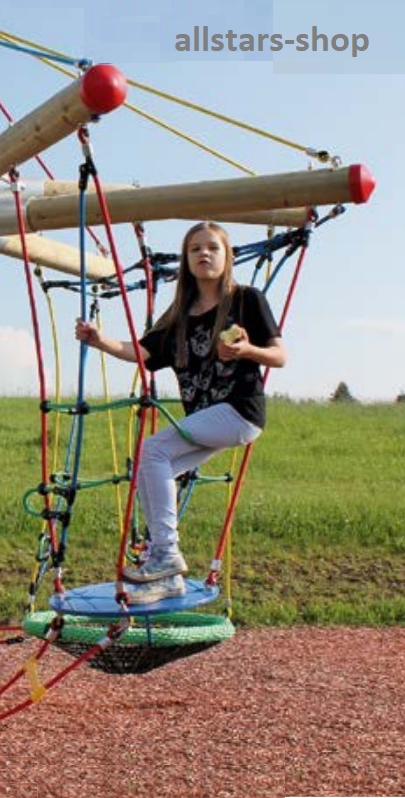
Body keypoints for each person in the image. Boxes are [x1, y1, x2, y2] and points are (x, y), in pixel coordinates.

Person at [75, 222, 286, 605]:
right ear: (187, 261)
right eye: (195, 250)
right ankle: (166, 576)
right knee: (153, 467)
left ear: (227, 257)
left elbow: (280, 356)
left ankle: (166, 555)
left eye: (212, 248)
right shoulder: (180, 315)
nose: (204, 254)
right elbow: (143, 353)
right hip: (208, 417)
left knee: (154, 450)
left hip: (239, 410)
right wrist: (98, 338)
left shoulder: (246, 299)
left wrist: (246, 351)